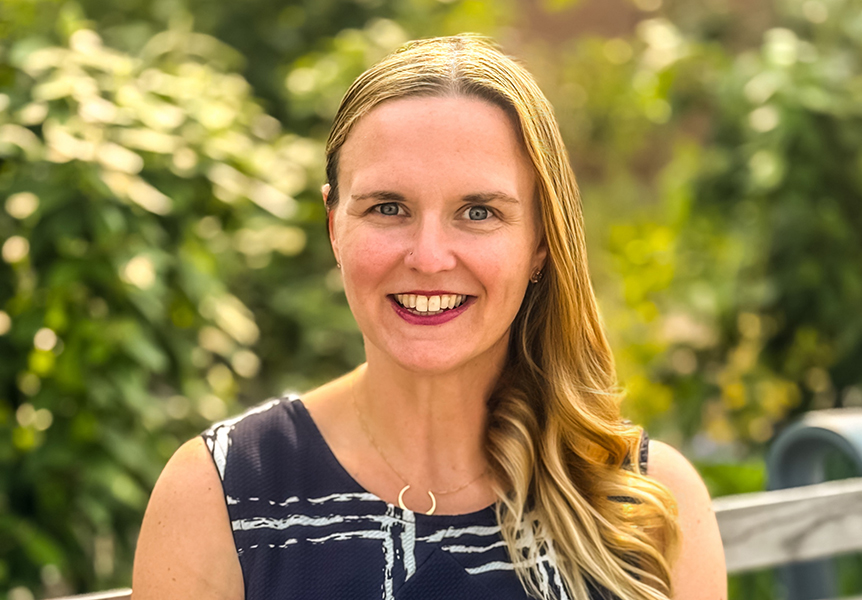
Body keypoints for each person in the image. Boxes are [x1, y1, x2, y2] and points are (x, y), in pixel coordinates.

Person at [132, 35, 726, 600]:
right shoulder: (221, 493)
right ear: (334, 224)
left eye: (478, 211)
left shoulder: (648, 503)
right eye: (388, 208)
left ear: (541, 242)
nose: (429, 257)